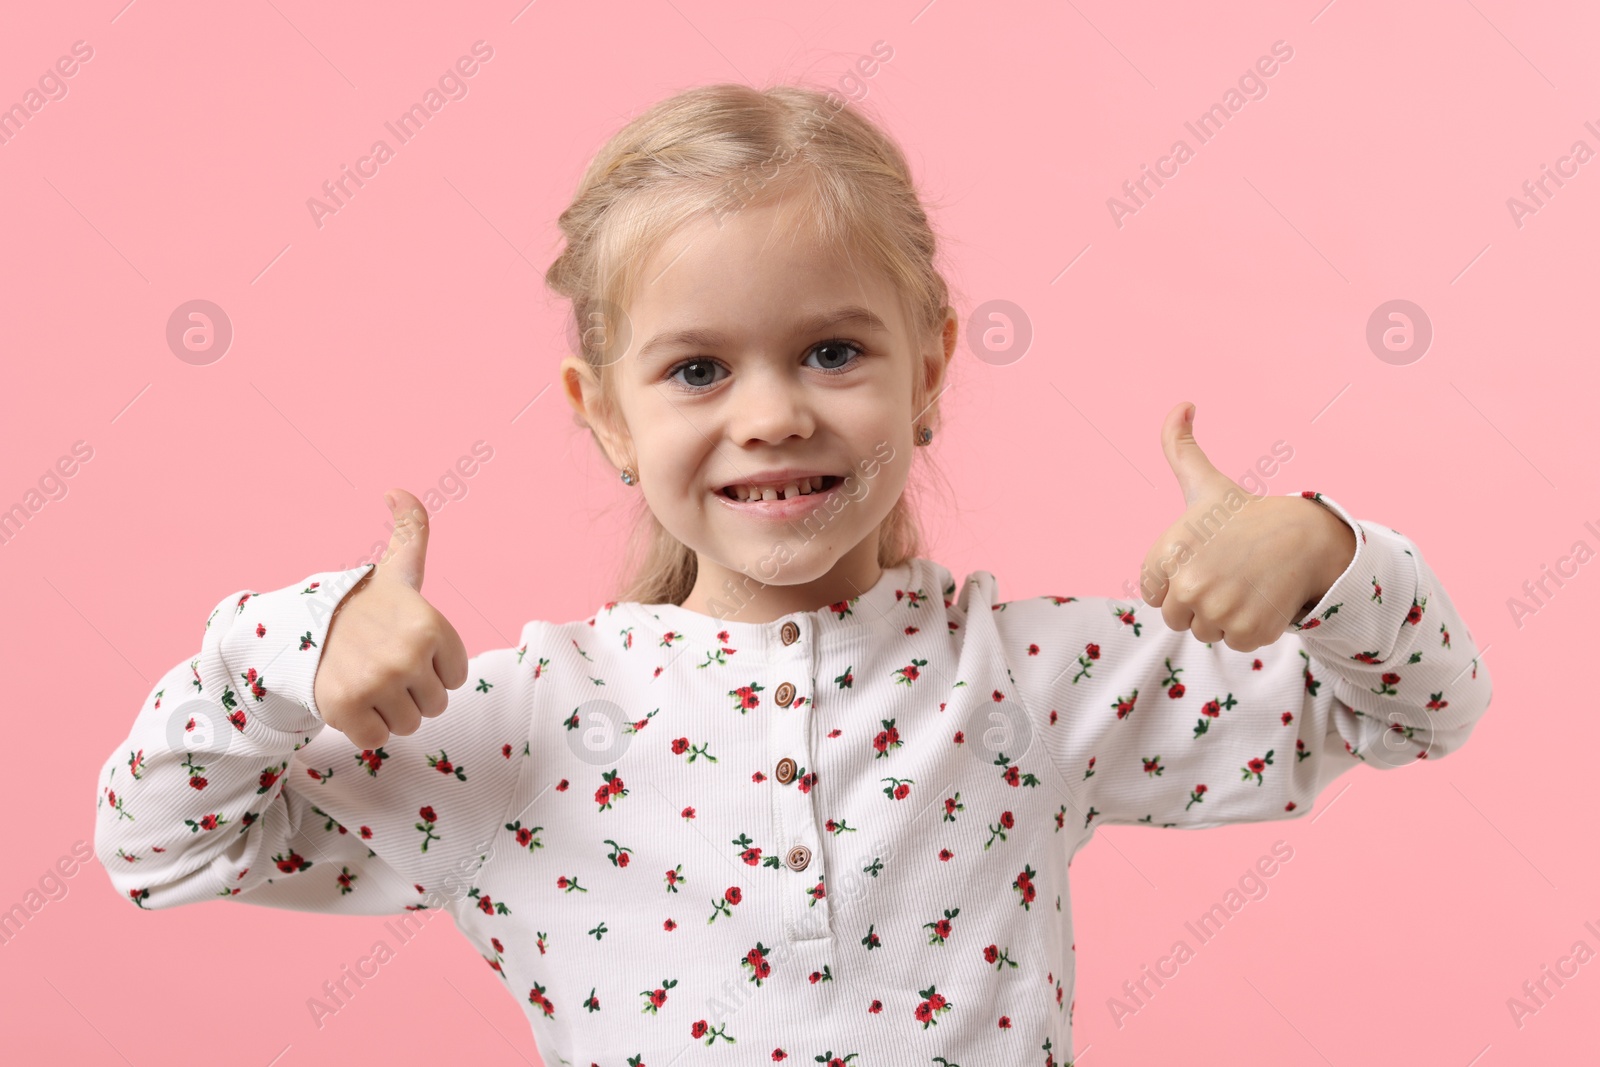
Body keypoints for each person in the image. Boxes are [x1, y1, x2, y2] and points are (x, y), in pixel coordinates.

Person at [93, 82, 1492, 1065]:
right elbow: (163, 844)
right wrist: (293, 647)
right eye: (698, 369)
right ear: (603, 415)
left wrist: (1320, 551)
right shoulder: (519, 726)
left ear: (928, 369)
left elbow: (1416, 709)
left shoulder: (1027, 680)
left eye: (833, 351)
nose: (772, 414)